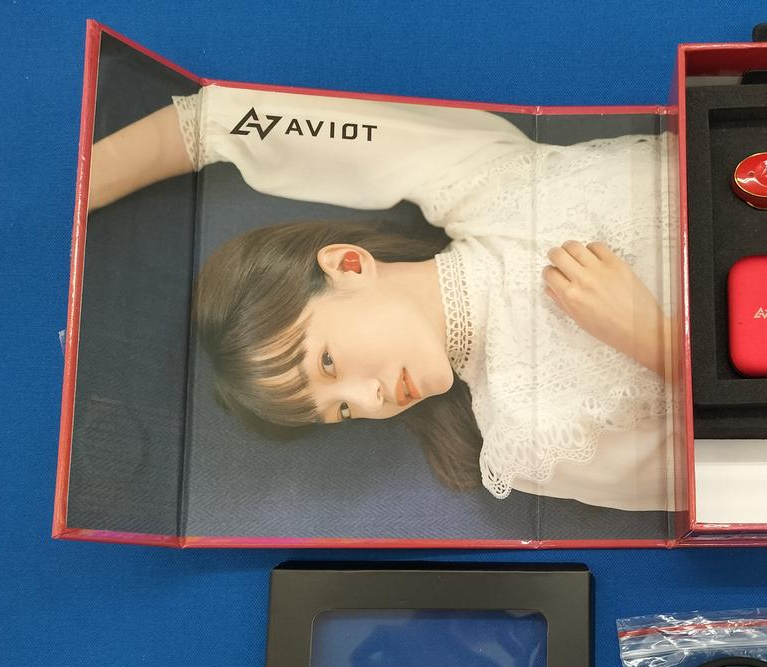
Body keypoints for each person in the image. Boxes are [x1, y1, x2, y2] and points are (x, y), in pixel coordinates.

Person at [88, 86, 674, 511]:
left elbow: (224, 121)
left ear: (348, 264)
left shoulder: (483, 183)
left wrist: (69, 199)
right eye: (340, 412)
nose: (368, 401)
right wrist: (659, 344)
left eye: (327, 364)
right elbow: (727, 492)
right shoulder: (528, 440)